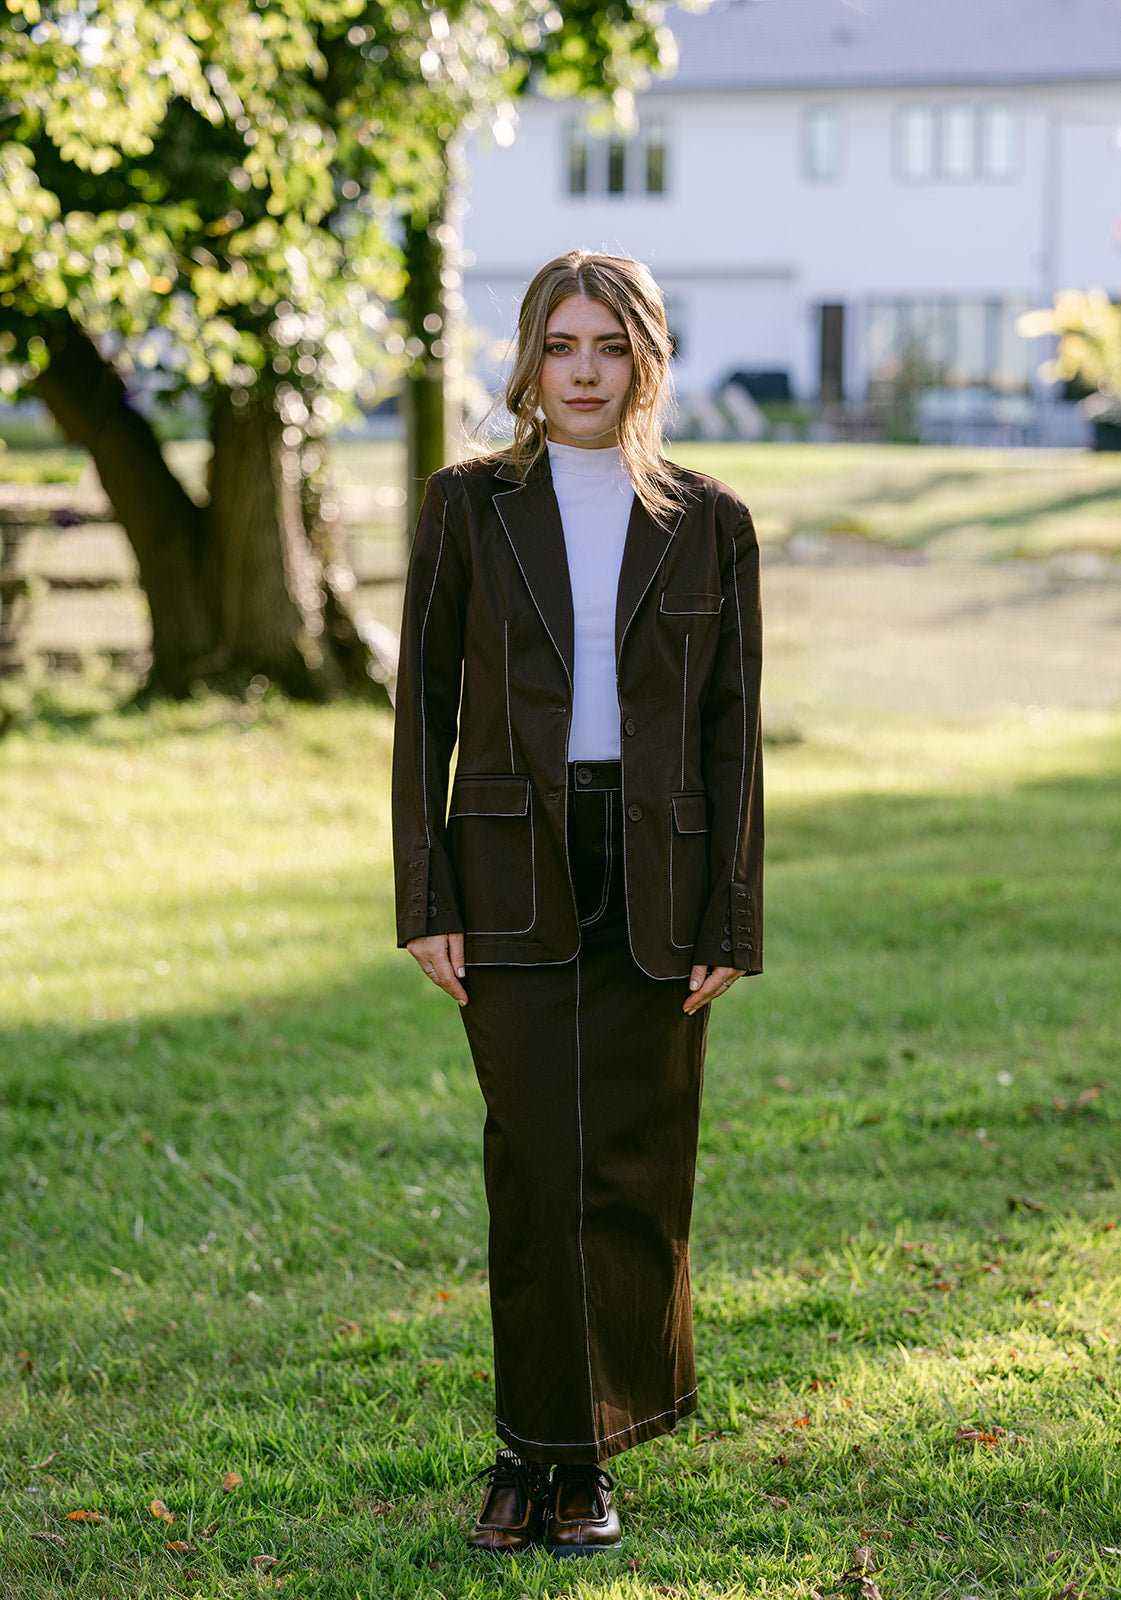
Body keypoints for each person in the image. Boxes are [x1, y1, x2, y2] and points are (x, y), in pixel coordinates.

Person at [391, 249, 763, 1556]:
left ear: (647, 359)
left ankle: (588, 1457)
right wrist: (424, 893)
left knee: (634, 1173)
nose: (586, 370)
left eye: (610, 345)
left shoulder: (710, 521)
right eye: (561, 345)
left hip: (656, 876)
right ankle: (526, 1449)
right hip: (507, 872)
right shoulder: (468, 506)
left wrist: (733, 915)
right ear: (530, 363)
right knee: (537, 1163)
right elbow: (420, 713)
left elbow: (732, 733)